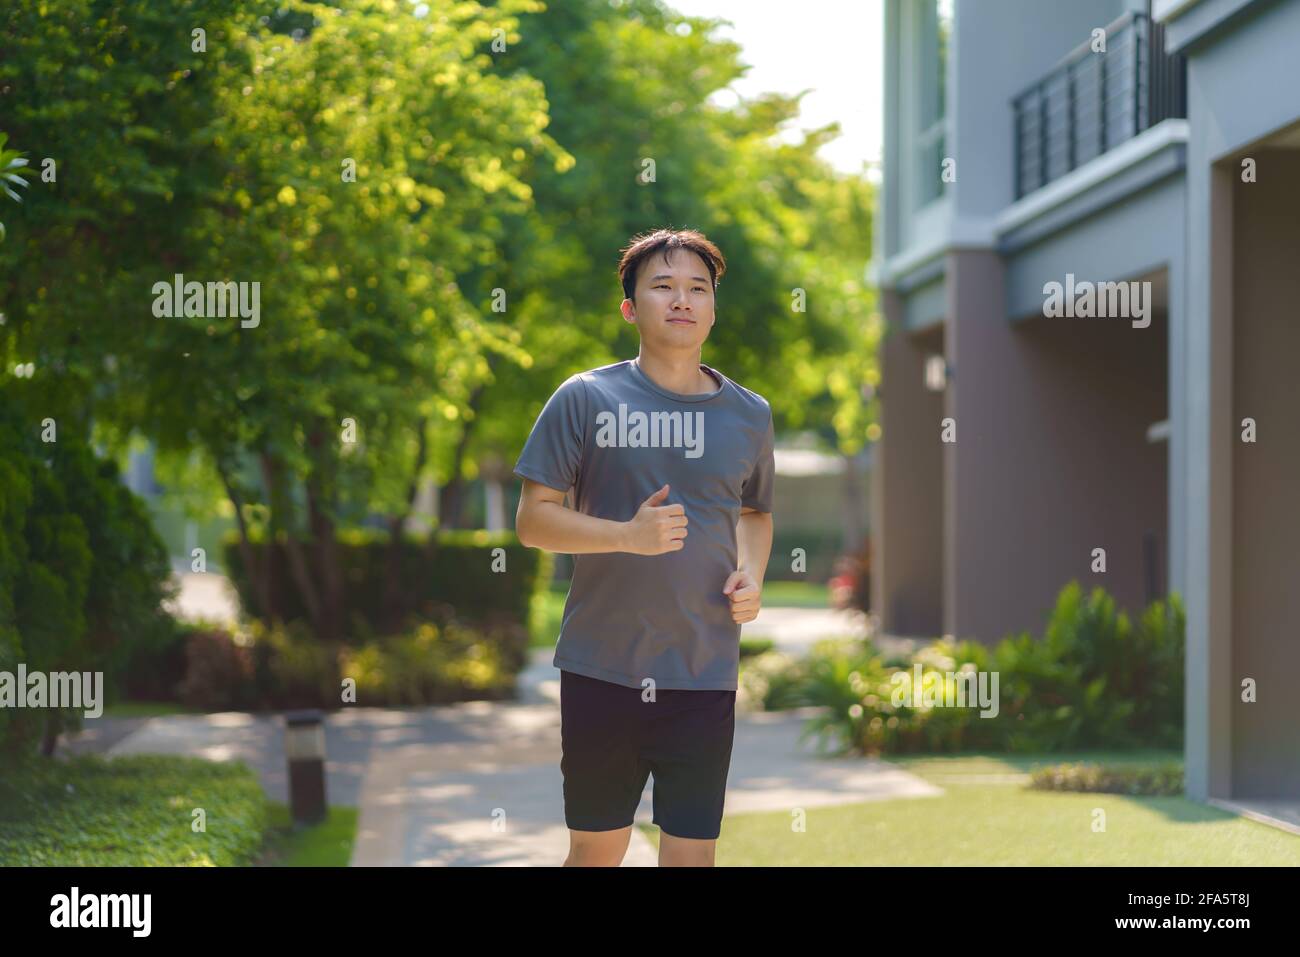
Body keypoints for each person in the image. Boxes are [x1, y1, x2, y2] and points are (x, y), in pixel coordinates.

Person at [514, 227, 776, 867]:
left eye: (697, 288)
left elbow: (755, 511)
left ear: (713, 305)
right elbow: (533, 520)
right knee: (597, 852)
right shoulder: (585, 397)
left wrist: (751, 575)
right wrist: (627, 537)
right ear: (630, 307)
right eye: (662, 287)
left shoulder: (750, 414)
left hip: (704, 670)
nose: (681, 300)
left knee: (692, 857)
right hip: (604, 667)